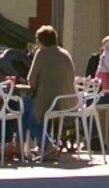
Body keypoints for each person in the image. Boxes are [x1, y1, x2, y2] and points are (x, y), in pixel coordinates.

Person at [21, 24, 82, 158]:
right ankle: (41, 145)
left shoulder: (42, 54)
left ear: (40, 42)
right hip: (69, 102)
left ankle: (45, 144)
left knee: (25, 112)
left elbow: (31, 80)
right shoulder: (65, 53)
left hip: (50, 102)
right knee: (30, 109)